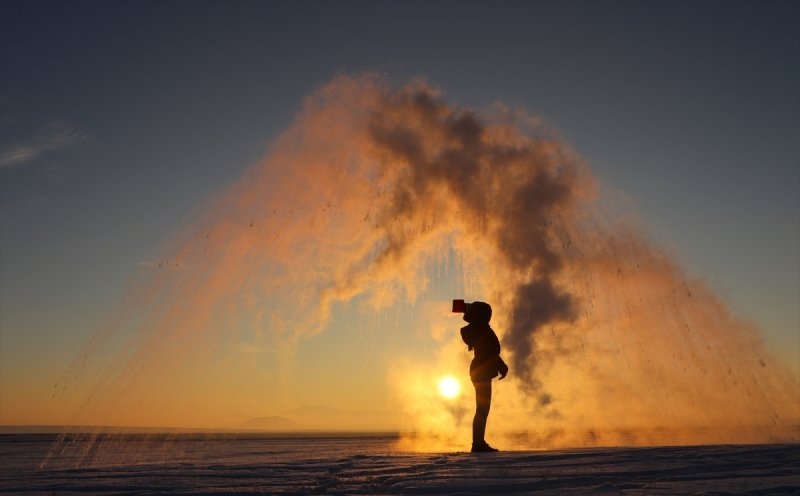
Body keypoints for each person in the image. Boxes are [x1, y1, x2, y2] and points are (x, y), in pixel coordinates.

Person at [460, 301, 508, 453]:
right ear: (483, 315)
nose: (490, 316)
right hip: (482, 372)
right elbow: (491, 352)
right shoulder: (481, 330)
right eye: (487, 313)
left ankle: (478, 443)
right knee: (482, 410)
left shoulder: (478, 329)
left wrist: (501, 366)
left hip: (480, 371)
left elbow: (492, 352)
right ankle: (478, 444)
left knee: (482, 410)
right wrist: (501, 366)